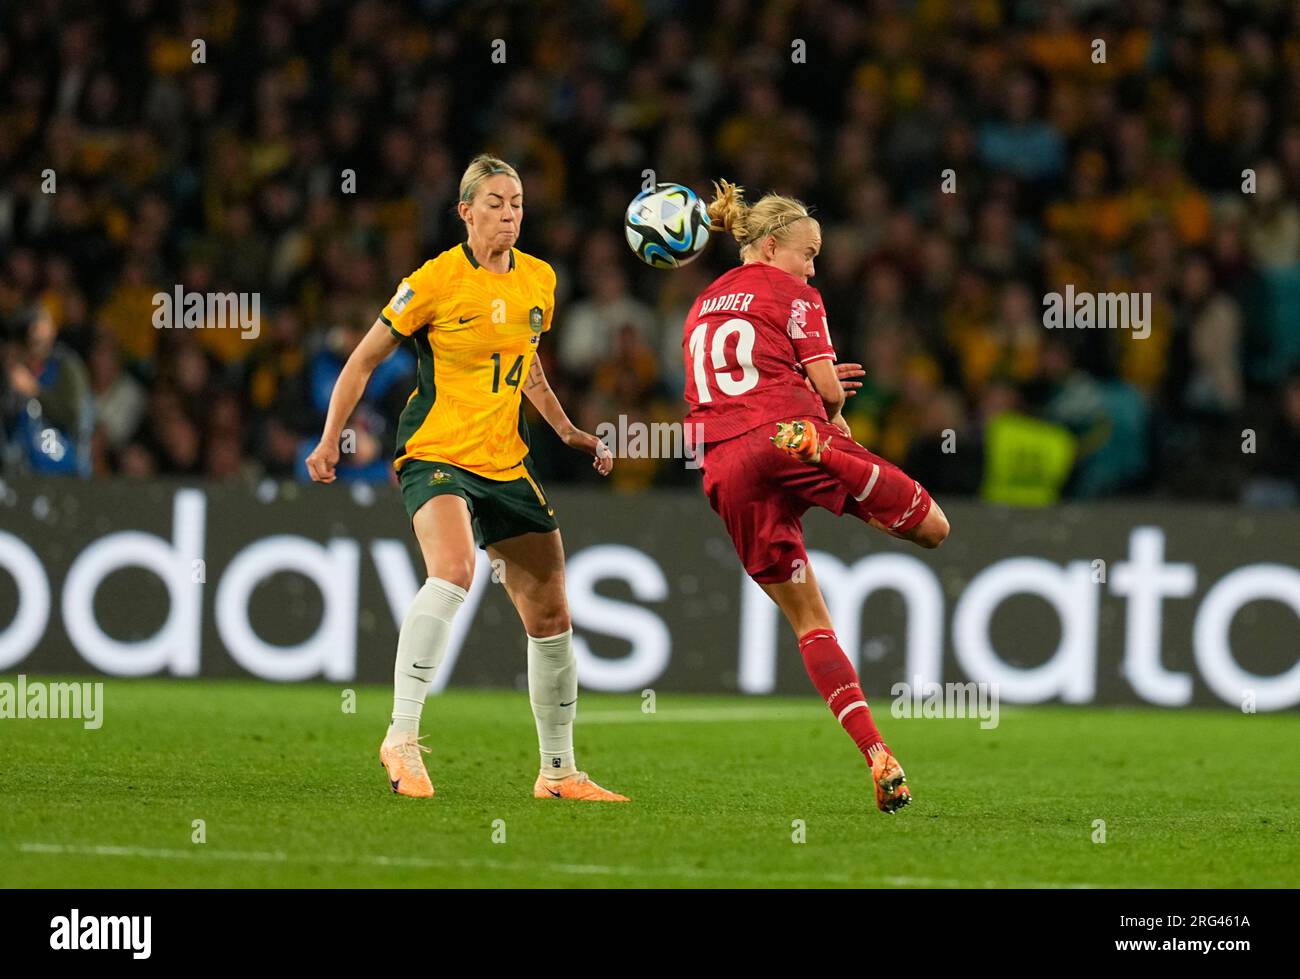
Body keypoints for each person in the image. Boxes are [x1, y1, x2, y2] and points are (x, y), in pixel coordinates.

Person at [306, 155, 627, 802]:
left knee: (551, 611)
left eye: (517, 203)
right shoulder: (433, 280)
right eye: (497, 202)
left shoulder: (540, 279)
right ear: (466, 211)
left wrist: (564, 429)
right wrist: (328, 438)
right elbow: (364, 359)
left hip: (505, 461)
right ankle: (401, 735)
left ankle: (558, 772)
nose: (510, 213)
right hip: (437, 452)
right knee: (454, 569)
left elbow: (526, 363)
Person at [684, 180, 950, 813]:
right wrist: (828, 422)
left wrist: (801, 384)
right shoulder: (795, 292)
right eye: (809, 252)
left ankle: (877, 754)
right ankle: (821, 449)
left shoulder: (700, 305)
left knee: (808, 619)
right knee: (933, 527)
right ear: (773, 245)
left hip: (724, 463)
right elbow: (830, 390)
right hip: (787, 434)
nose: (813, 266)